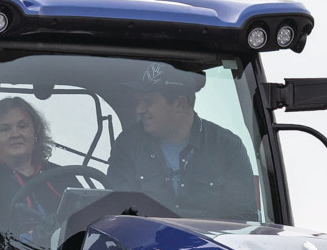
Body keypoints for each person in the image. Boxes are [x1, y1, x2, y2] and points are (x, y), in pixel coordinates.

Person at [105, 63, 258, 221]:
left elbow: (242, 220)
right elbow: (118, 214)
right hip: (142, 244)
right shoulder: (127, 145)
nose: (139, 109)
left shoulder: (228, 147)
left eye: (148, 102)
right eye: (139, 102)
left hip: (208, 245)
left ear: (180, 104)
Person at [0, 97, 74, 247]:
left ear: (35, 133)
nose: (15, 134)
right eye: (5, 129)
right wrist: (26, 240)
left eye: (22, 126)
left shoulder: (63, 176)